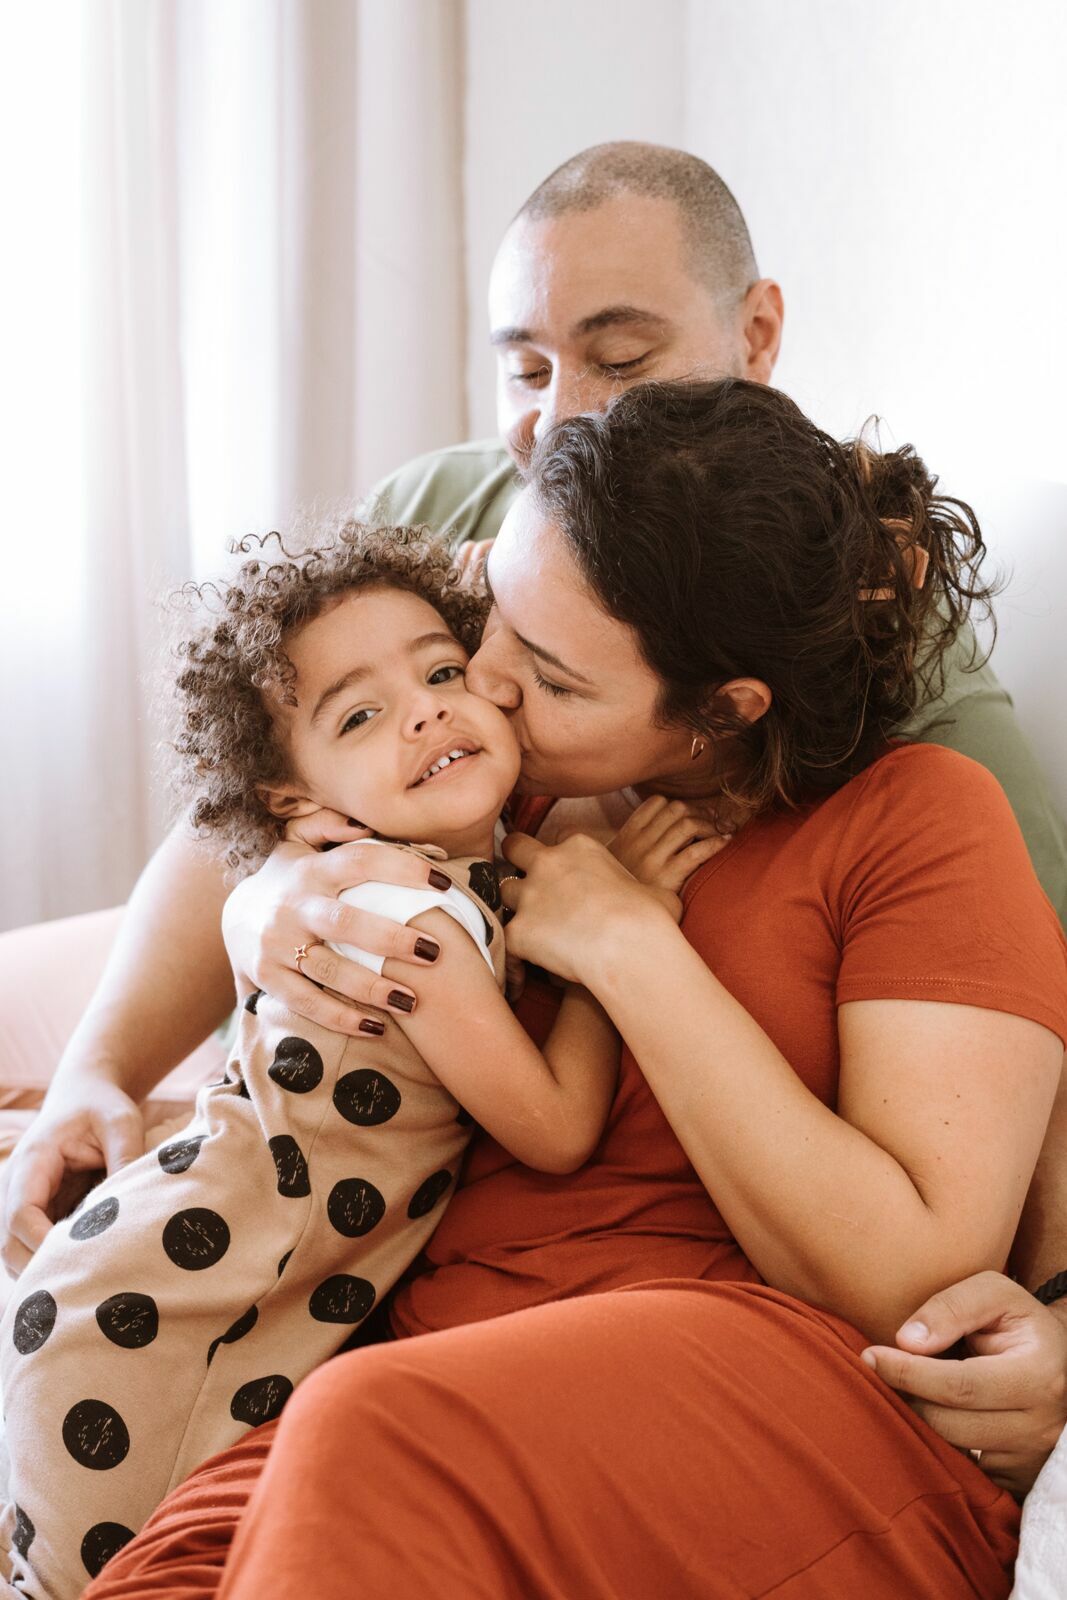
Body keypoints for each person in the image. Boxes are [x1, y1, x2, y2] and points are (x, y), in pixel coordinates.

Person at [2, 141, 1067, 1496]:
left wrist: (1053, 1321)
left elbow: (1003, 1069)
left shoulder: (904, 726)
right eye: (522, 364)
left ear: (752, 334)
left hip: (595, 1324)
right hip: (351, 1211)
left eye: (618, 360)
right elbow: (256, 794)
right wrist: (249, 911)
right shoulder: (452, 524)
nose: (556, 418)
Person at [0, 526, 627, 1597]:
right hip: (152, 1320)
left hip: (183, 1276)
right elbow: (559, 1128)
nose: (427, 708)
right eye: (361, 714)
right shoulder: (398, 916)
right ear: (298, 804)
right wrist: (612, 939)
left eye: (440, 671)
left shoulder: (420, 874)